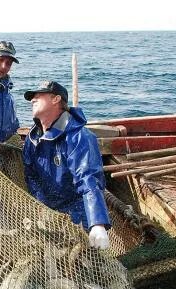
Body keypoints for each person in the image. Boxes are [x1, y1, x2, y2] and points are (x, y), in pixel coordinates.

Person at [22, 80, 111, 250]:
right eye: (33, 96)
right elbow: (30, 174)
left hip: (79, 213)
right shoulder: (32, 138)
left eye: (39, 95)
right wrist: (42, 205)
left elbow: (89, 179)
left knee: (85, 262)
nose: (33, 99)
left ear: (56, 99)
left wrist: (97, 223)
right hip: (47, 212)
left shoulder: (79, 137)